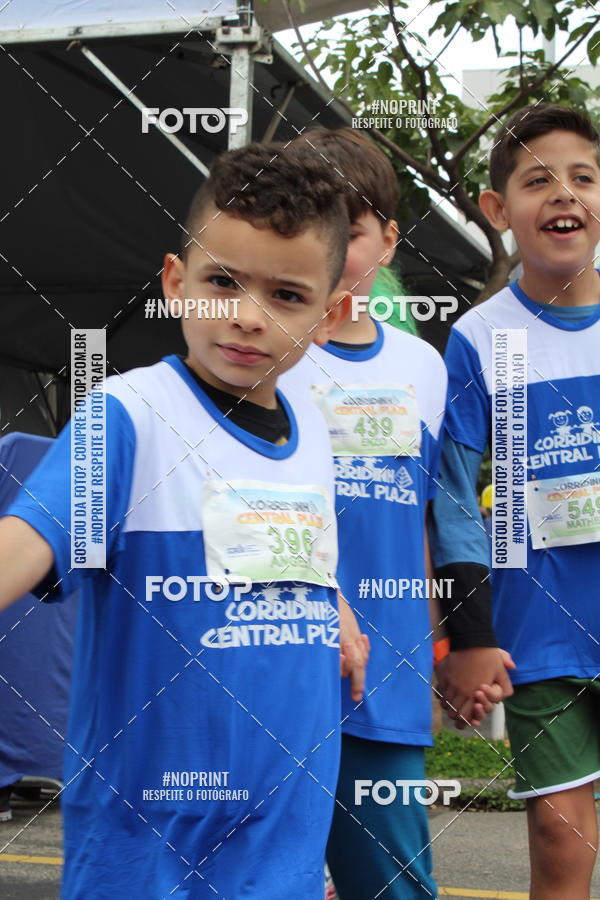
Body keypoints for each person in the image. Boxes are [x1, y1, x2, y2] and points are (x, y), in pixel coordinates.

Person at [0, 142, 368, 898]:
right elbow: (25, 542)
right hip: (145, 858)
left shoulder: (315, 434)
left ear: (330, 315)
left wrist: (332, 606)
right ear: (176, 282)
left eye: (286, 295)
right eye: (223, 282)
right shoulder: (129, 417)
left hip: (282, 850)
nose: (246, 317)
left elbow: (280, 555)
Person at [430, 103, 600, 899]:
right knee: (561, 841)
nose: (564, 193)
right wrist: (471, 634)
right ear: (498, 209)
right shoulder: (479, 337)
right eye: (538, 181)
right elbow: (451, 492)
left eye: (583, 177)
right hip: (540, 630)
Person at [281, 125, 452, 899]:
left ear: (387, 239)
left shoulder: (424, 367)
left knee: (392, 886)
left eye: (345, 231)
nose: (323, 248)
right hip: (271, 672)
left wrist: (438, 653)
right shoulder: (252, 355)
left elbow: (425, 520)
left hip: (383, 684)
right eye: (304, 223)